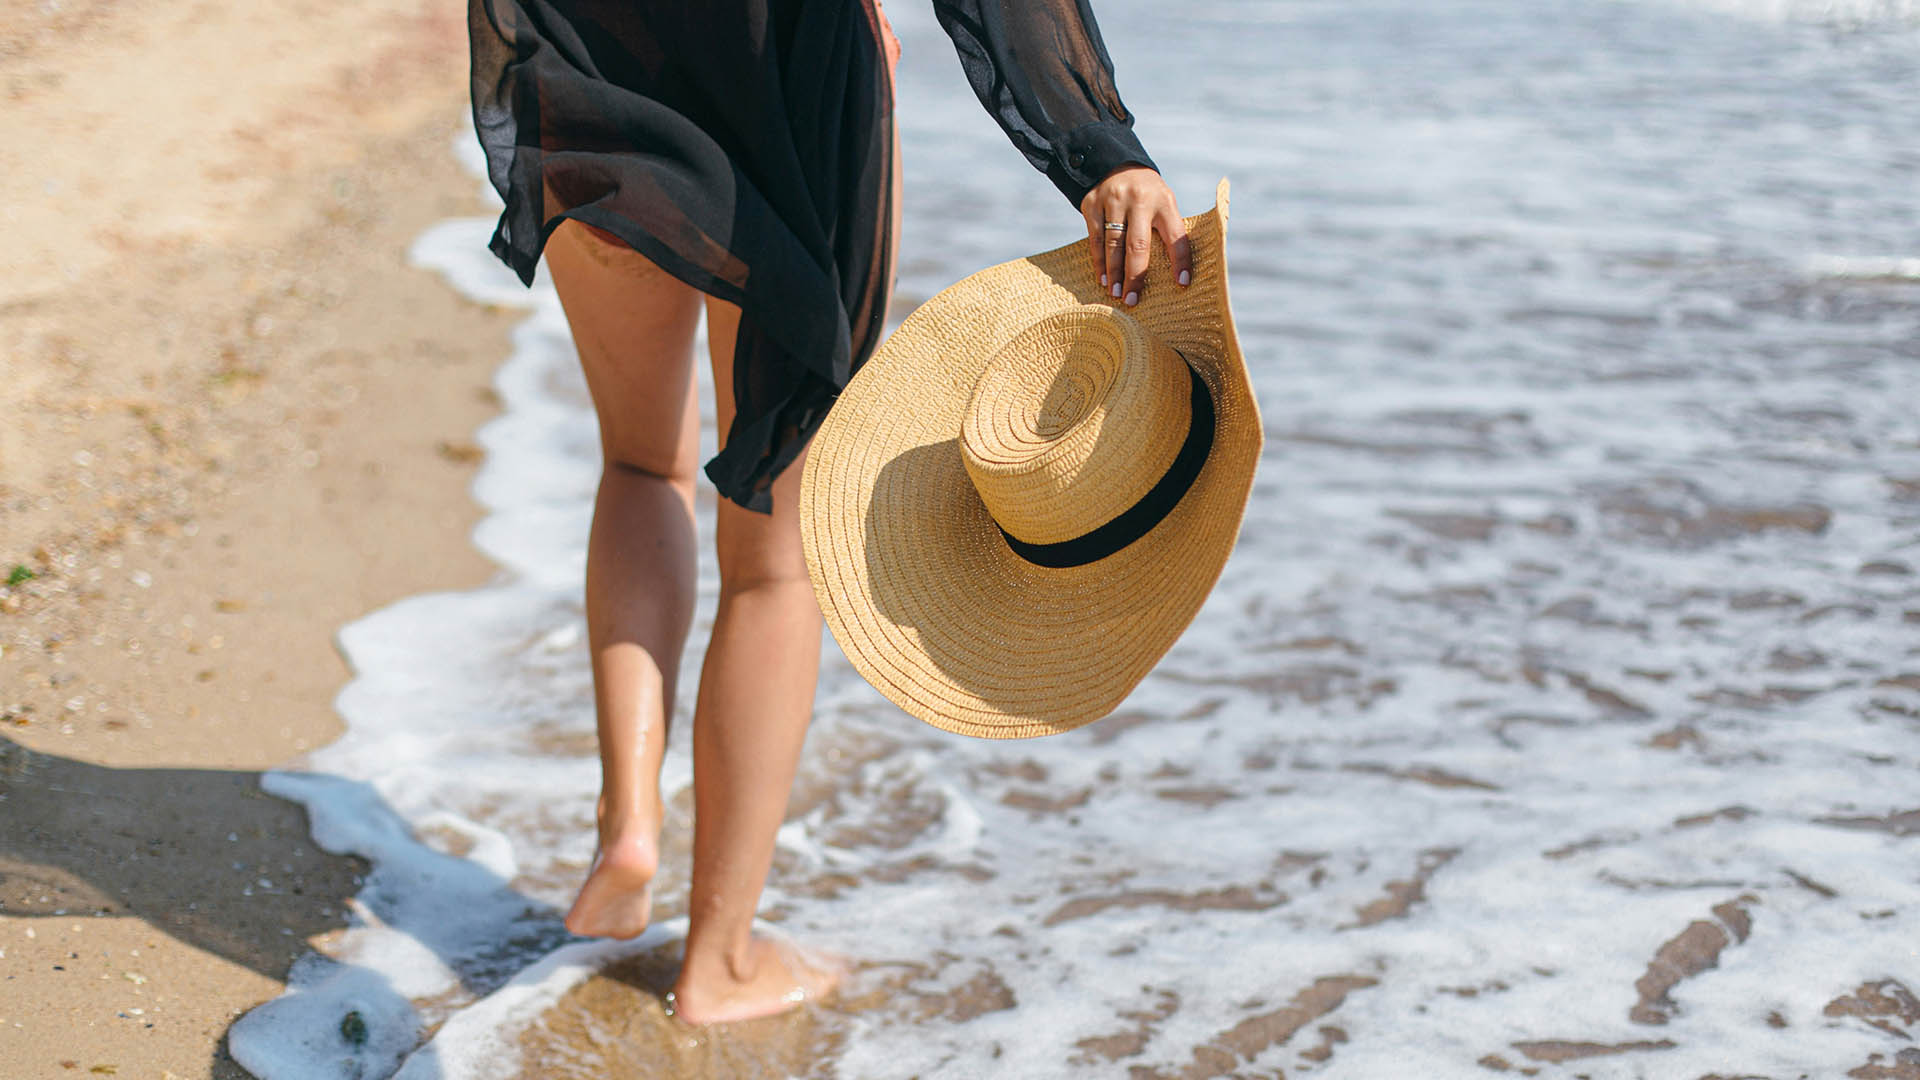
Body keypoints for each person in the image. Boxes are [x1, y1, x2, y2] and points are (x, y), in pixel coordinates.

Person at [466, 0, 1193, 1025]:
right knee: (774, 558)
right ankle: (719, 957)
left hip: (595, 40)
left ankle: (626, 821)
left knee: (638, 465)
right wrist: (1098, 148)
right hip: (801, 74)